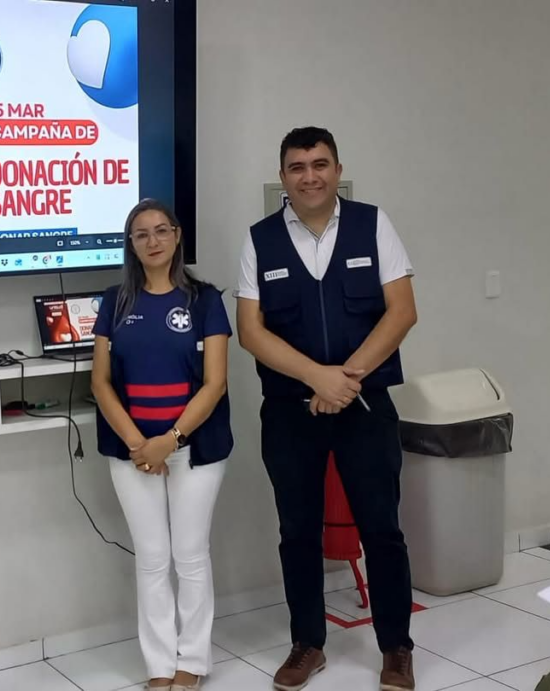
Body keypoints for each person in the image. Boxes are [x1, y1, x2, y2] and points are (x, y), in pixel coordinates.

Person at [236, 127, 419, 691]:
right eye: (297, 167)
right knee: (297, 531)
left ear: (337, 169)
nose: (309, 176)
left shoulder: (373, 224)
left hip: (366, 406)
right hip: (291, 412)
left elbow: (401, 312)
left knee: (382, 529)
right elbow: (250, 330)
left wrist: (346, 379)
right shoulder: (260, 240)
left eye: (320, 164)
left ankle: (396, 648)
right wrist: (317, 377)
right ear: (283, 177)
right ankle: (307, 644)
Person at [92, 199, 234, 691]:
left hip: (195, 449)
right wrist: (139, 444)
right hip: (133, 453)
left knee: (190, 556)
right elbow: (101, 383)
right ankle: (158, 665)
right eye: (140, 234)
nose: (152, 241)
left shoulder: (205, 300)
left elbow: (214, 383)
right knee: (151, 558)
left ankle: (191, 661)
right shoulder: (115, 302)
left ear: (176, 236)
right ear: (130, 246)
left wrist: (169, 440)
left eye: (161, 231)